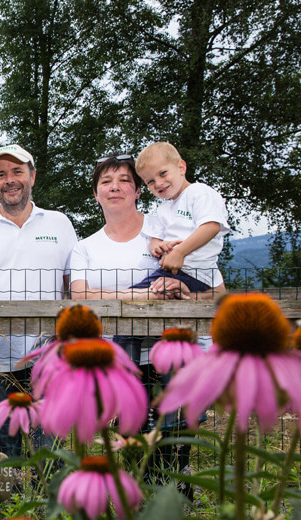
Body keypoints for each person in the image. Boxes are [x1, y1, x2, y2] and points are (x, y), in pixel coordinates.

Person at [70, 153, 221, 501]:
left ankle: (176, 494)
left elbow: (217, 292)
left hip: (170, 351)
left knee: (173, 426)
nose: (115, 187)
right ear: (95, 194)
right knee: (131, 431)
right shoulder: (85, 247)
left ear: (139, 191)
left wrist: (183, 291)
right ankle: (135, 495)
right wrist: (141, 296)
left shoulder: (169, 232)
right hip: (118, 357)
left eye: (124, 180)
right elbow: (80, 295)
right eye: (106, 181)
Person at [0, 144, 77, 457]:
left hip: (49, 357)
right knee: (4, 454)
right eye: (1, 174)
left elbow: (74, 288)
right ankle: (10, 507)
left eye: (17, 172)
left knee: (49, 451)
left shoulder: (59, 224)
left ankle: (48, 505)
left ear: (32, 177)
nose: (9, 180)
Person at [133, 142, 230, 293]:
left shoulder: (198, 192)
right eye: (150, 181)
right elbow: (155, 240)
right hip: (171, 271)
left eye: (163, 173)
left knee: (135, 296)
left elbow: (211, 226)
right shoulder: (163, 209)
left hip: (195, 273)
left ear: (181, 168)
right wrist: (159, 247)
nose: (158, 183)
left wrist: (180, 252)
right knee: (133, 294)